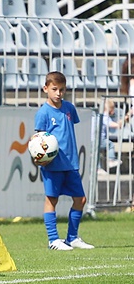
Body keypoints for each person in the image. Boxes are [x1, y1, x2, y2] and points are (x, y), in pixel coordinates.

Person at [33, 71, 93, 251]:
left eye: (62, 89)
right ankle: (53, 240)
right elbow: (38, 140)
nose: (58, 93)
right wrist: (41, 157)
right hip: (53, 165)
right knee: (52, 199)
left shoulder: (69, 108)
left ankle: (72, 237)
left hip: (70, 163)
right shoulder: (43, 113)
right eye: (54, 89)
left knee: (80, 199)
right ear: (46, 89)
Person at [98, 99, 126, 172]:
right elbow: (111, 124)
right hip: (99, 138)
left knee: (97, 152)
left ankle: (98, 168)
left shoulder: (99, 115)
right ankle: (111, 160)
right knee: (110, 145)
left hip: (94, 138)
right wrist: (119, 123)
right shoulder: (105, 116)